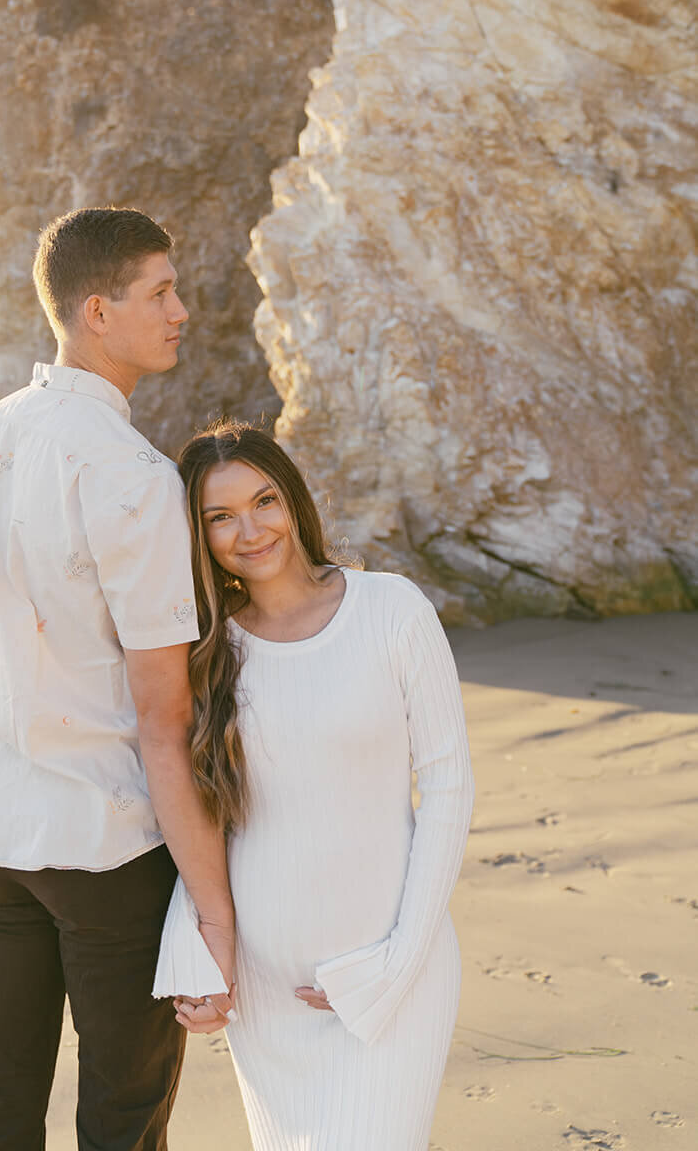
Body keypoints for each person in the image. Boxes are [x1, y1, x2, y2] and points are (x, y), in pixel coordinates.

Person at [0, 208, 233, 1151]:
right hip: (105, 840)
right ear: (96, 311)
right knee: (123, 1108)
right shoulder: (132, 475)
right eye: (160, 292)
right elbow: (161, 716)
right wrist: (215, 909)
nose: (181, 310)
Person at [152, 421, 474, 1151]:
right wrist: (196, 950)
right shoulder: (211, 649)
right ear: (199, 537)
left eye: (263, 501)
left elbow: (449, 789)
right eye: (219, 517)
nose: (249, 529)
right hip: (266, 988)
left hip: (393, 966)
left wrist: (394, 966)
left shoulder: (392, 610)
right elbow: (205, 815)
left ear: (293, 500)